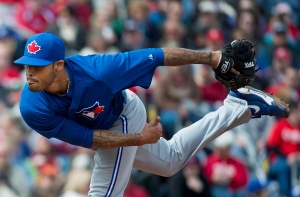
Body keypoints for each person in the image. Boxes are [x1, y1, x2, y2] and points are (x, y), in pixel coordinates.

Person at [14, 32, 290, 197]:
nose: (29, 73)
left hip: (122, 113)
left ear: (59, 65)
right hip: (105, 132)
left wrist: (211, 58)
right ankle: (238, 106)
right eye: (27, 65)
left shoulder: (98, 70)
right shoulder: (31, 107)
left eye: (37, 67)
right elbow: (89, 139)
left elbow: (157, 55)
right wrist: (137, 139)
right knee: (170, 161)